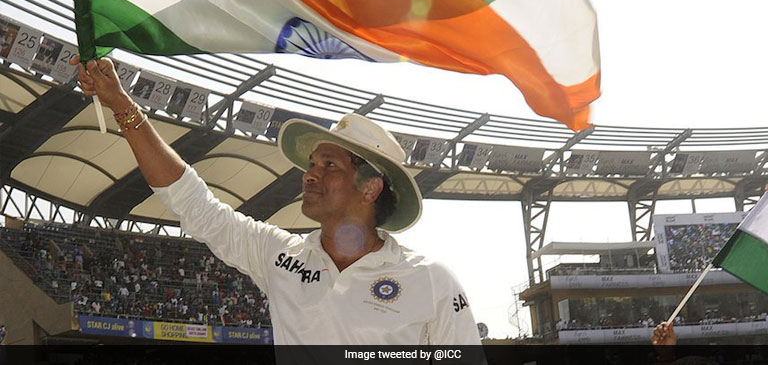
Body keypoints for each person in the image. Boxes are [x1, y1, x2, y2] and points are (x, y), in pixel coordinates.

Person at [72, 57, 481, 345]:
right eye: (312, 162)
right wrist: (122, 105)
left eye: (330, 164)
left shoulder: (432, 282)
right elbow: (193, 202)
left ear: (371, 187)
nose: (311, 173)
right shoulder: (281, 257)